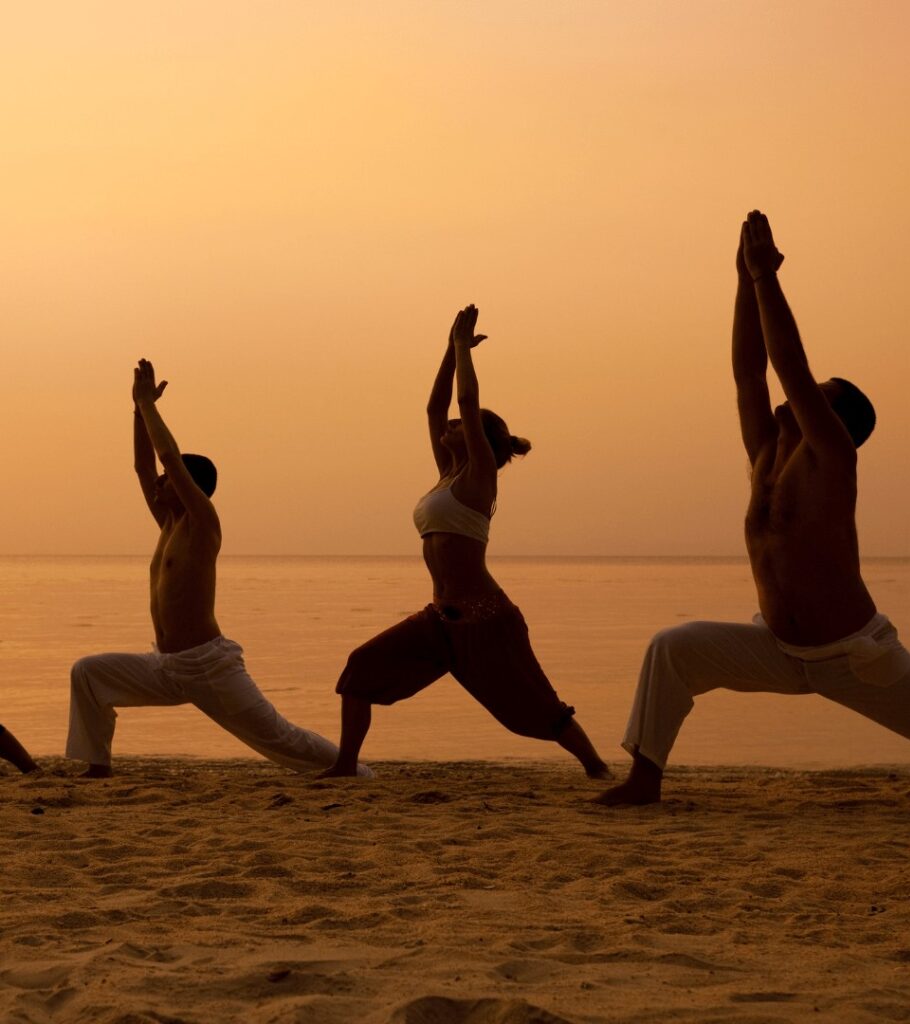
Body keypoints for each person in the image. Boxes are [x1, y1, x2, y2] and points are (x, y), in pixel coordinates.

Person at [597, 211, 910, 805]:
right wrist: (743, 281)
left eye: (815, 398)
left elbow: (786, 368)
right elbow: (748, 372)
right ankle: (644, 782)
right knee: (674, 649)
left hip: (854, 655)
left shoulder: (832, 457)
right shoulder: (768, 454)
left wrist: (768, 277)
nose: (794, 398)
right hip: (778, 648)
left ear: (833, 422)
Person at [321, 305, 610, 780]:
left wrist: (463, 350)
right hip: (439, 620)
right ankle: (346, 765)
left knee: (535, 708)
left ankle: (596, 767)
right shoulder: (446, 474)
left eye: (460, 426)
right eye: (452, 426)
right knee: (361, 669)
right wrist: (447, 350)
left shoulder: (479, 476)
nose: (449, 425)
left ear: (481, 440)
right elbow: (435, 408)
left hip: (487, 621)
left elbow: (468, 406)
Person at [65, 359, 355, 778]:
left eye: (169, 479)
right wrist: (135, 409)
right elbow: (144, 466)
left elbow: (167, 458)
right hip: (166, 666)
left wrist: (149, 404)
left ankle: (353, 772)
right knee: (89, 673)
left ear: (188, 487)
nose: (159, 482)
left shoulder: (202, 522)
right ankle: (98, 767)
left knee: (280, 737)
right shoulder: (169, 523)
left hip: (207, 666)